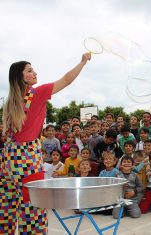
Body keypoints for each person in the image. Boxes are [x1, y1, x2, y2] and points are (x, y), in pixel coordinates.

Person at [0, 52, 90, 234]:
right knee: (33, 209)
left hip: (7, 161)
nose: (35, 73)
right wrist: (83, 62)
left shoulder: (11, 102)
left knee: (6, 208)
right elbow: (66, 80)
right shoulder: (36, 94)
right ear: (22, 77)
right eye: (30, 71)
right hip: (27, 160)